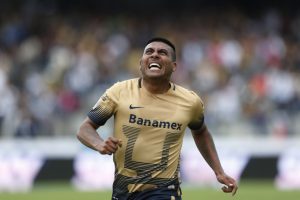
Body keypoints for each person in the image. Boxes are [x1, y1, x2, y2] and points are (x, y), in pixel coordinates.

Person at [76, 37, 238, 200]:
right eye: (149, 52)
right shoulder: (118, 92)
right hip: (123, 191)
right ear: (141, 63)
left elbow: (201, 132)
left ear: (174, 66)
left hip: (164, 190)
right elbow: (85, 129)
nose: (155, 55)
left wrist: (219, 172)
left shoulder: (190, 101)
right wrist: (99, 144)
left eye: (162, 53)